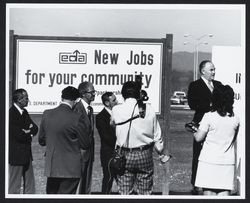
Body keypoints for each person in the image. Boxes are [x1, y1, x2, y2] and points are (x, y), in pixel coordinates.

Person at [110, 81, 168, 195]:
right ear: (139, 94)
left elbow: (112, 124)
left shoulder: (116, 110)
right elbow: (157, 134)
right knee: (145, 191)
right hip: (144, 152)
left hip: (124, 153)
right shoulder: (149, 109)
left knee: (125, 191)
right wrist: (160, 152)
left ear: (123, 94)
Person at [38, 86, 91, 194]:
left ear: (62, 97)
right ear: (76, 100)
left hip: (52, 167)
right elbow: (85, 144)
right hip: (71, 168)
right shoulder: (77, 117)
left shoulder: (47, 114)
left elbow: (41, 140)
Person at [193, 85, 240, 196]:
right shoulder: (235, 119)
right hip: (227, 162)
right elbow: (233, 139)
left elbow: (199, 137)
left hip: (208, 161)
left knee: (208, 194)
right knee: (224, 194)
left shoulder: (209, 116)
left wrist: (194, 130)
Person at [187, 60, 222, 194]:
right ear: (203, 71)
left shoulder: (218, 85)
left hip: (216, 124)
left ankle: (213, 182)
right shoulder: (195, 85)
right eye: (211, 70)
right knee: (199, 153)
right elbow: (192, 104)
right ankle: (196, 184)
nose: (214, 72)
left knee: (215, 153)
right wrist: (210, 107)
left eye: (214, 69)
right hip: (201, 123)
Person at [9, 88, 38, 194]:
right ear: (19, 99)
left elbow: (35, 128)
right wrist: (28, 132)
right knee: (14, 186)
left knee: (30, 185)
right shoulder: (11, 114)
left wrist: (28, 131)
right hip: (16, 156)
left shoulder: (24, 112)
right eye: (26, 98)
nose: (28, 100)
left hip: (27, 154)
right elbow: (18, 135)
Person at [74, 81, 96, 194]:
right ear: (83, 93)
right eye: (91, 92)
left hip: (88, 151)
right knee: (80, 182)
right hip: (80, 151)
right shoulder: (77, 108)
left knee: (87, 182)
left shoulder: (90, 109)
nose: (94, 94)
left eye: (94, 91)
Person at [96, 92, 118, 194]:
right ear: (106, 103)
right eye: (113, 100)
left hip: (122, 153)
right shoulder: (100, 117)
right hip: (108, 154)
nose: (117, 102)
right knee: (108, 179)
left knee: (123, 182)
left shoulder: (119, 113)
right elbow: (106, 137)